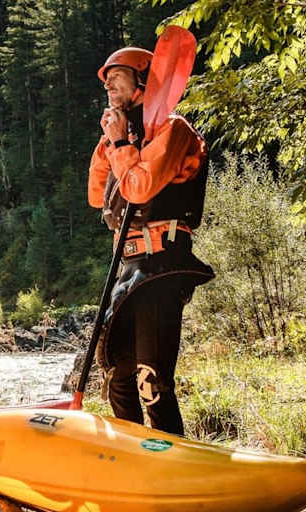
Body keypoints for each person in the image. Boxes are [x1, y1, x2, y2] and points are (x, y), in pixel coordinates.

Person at [88, 46, 214, 435]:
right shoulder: (127, 135)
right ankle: (131, 458)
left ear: (144, 80)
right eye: (105, 78)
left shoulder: (173, 130)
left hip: (162, 264)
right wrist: (114, 141)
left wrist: (124, 145)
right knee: (117, 374)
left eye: (117, 75)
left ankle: (169, 457)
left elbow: (140, 189)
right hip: (127, 268)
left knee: (150, 378)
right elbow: (96, 195)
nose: (108, 82)